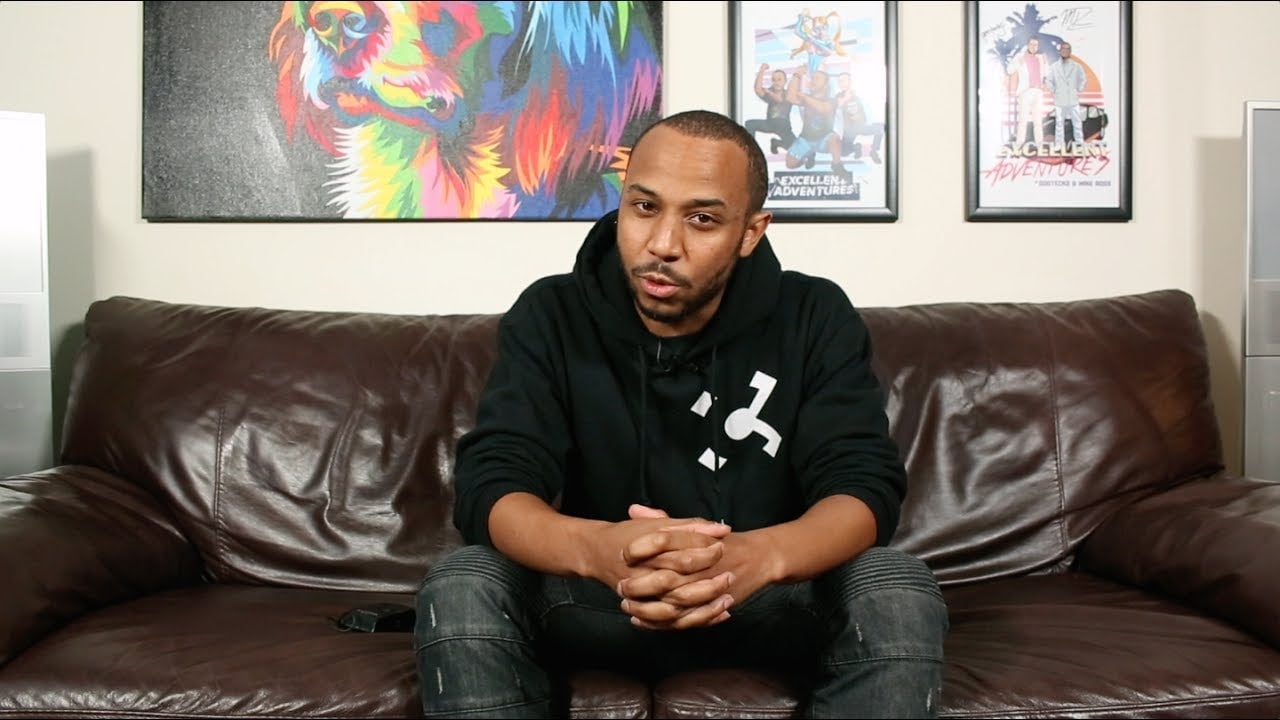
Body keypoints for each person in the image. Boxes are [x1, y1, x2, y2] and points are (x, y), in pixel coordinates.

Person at [414, 109, 948, 719]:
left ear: (751, 232)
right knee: (463, 580)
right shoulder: (550, 314)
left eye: (702, 219)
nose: (664, 244)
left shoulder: (814, 314)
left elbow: (863, 486)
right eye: (644, 207)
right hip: (602, 594)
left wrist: (759, 557)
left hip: (764, 596)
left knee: (896, 586)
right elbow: (492, 485)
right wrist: (598, 549)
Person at [784, 68, 852, 182]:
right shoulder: (806, 98)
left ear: (825, 85)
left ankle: (837, 165)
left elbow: (823, 108)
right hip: (805, 139)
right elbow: (790, 97)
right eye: (812, 78)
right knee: (790, 164)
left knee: (835, 138)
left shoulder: (832, 100)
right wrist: (797, 75)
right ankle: (808, 155)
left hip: (824, 140)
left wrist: (804, 97)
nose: (813, 81)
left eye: (817, 78)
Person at [744, 63, 797, 155]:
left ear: (785, 81)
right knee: (750, 124)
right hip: (770, 124)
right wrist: (762, 70)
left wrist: (769, 92)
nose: (776, 82)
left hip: (784, 127)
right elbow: (758, 89)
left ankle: (776, 143)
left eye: (779, 79)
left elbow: (779, 100)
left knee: (796, 148)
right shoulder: (770, 93)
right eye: (773, 80)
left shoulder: (788, 94)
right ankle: (751, 149)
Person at [1043, 41, 1087, 149]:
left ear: (1070, 51)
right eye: (1063, 49)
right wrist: (1054, 90)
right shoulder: (1054, 67)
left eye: (1067, 49)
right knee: (1059, 123)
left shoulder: (1077, 66)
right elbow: (1048, 80)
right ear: (1059, 51)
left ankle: (1079, 143)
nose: (1065, 51)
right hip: (1060, 99)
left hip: (1073, 98)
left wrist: (1078, 89)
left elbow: (1083, 79)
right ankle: (1059, 144)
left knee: (1077, 122)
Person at [1006, 36, 1048, 149]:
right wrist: (1018, 63)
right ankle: (1019, 144)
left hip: (1038, 92)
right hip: (1025, 91)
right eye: (1032, 44)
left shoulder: (1040, 58)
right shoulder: (1020, 56)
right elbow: (1009, 70)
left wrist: (1045, 63)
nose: (1034, 47)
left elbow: (1046, 73)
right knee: (1023, 120)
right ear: (1028, 45)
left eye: (1036, 45)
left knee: (1038, 120)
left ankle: (1039, 144)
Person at [834, 72, 885, 164]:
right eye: (839, 81)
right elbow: (837, 105)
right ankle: (856, 147)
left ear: (850, 81)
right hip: (849, 130)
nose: (841, 83)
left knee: (881, 128)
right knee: (843, 152)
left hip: (861, 126)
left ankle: (874, 151)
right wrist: (846, 97)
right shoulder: (838, 96)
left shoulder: (859, 94)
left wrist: (862, 118)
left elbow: (867, 110)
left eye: (844, 80)